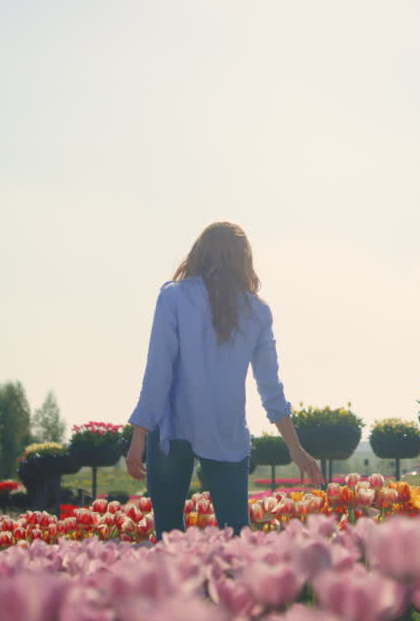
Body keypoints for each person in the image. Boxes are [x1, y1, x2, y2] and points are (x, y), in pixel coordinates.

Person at [125, 221, 323, 538]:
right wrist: (295, 448)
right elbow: (271, 387)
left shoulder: (173, 298)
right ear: (245, 260)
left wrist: (139, 436)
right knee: (236, 540)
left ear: (199, 252)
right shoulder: (258, 312)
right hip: (226, 432)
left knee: (168, 539)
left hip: (171, 430)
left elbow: (157, 372)